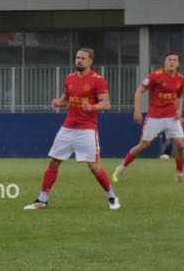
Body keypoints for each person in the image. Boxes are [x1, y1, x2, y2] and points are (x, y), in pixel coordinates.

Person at [24, 48, 120, 210]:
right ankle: (42, 200)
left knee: (94, 167)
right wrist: (58, 102)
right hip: (67, 128)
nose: (79, 60)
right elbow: (66, 100)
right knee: (53, 162)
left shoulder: (98, 80)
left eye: (82, 58)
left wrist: (92, 107)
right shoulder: (69, 78)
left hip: (87, 130)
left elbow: (106, 103)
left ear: (90, 61)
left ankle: (112, 196)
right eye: (77, 58)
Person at [112, 51, 184, 183]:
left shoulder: (180, 78)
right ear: (164, 62)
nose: (172, 62)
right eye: (169, 60)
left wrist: (179, 110)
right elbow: (139, 91)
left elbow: (179, 96)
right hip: (155, 117)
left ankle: (180, 175)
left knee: (180, 145)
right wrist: (137, 110)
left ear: (178, 63)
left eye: (174, 60)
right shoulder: (155, 76)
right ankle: (121, 167)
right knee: (144, 145)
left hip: (172, 117)